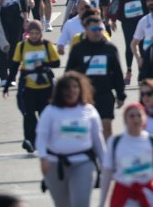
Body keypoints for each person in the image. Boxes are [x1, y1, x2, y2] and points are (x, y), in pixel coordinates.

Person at [34, 72, 105, 207]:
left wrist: (105, 164)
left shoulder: (89, 111)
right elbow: (41, 138)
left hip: (83, 164)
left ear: (81, 89)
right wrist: (43, 158)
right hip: (55, 165)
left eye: (75, 87)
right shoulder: (50, 111)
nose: (71, 91)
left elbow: (98, 141)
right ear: (60, 91)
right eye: (67, 88)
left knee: (81, 203)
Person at [65, 12, 126, 138]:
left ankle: (107, 157)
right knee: (87, 130)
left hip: (105, 95)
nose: (97, 32)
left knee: (106, 128)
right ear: (86, 29)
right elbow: (69, 73)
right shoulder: (78, 49)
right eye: (94, 29)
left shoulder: (110, 49)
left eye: (100, 29)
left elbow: (118, 73)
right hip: (84, 97)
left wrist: (121, 94)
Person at [100, 102, 153, 207]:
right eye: (131, 116)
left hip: (149, 196)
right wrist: (101, 203)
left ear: (144, 119)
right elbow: (107, 173)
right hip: (123, 197)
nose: (136, 119)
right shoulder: (115, 142)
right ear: (125, 120)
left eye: (139, 115)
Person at [4, 20, 61, 153]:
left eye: (37, 33)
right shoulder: (22, 46)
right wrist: (7, 86)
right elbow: (14, 66)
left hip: (45, 88)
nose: (34, 36)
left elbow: (57, 63)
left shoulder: (47, 45)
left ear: (41, 33)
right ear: (28, 34)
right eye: (32, 33)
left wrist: (43, 64)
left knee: (44, 115)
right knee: (28, 115)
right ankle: (30, 140)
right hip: (28, 87)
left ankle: (47, 141)